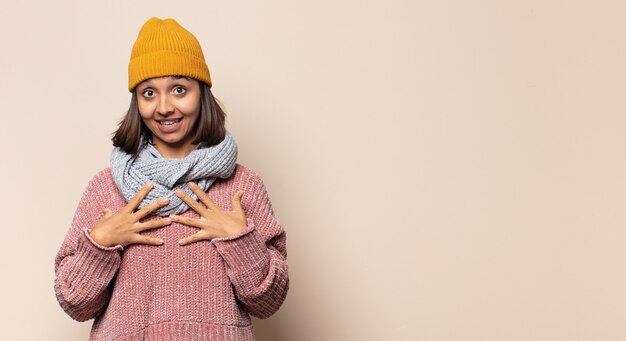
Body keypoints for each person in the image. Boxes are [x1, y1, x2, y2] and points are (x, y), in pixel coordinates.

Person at [54, 17, 289, 340]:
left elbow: (269, 302)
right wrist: (101, 244)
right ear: (136, 102)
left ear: (201, 94)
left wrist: (240, 240)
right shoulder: (105, 189)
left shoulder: (242, 185)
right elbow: (74, 302)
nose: (164, 107)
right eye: (149, 92)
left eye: (179, 90)